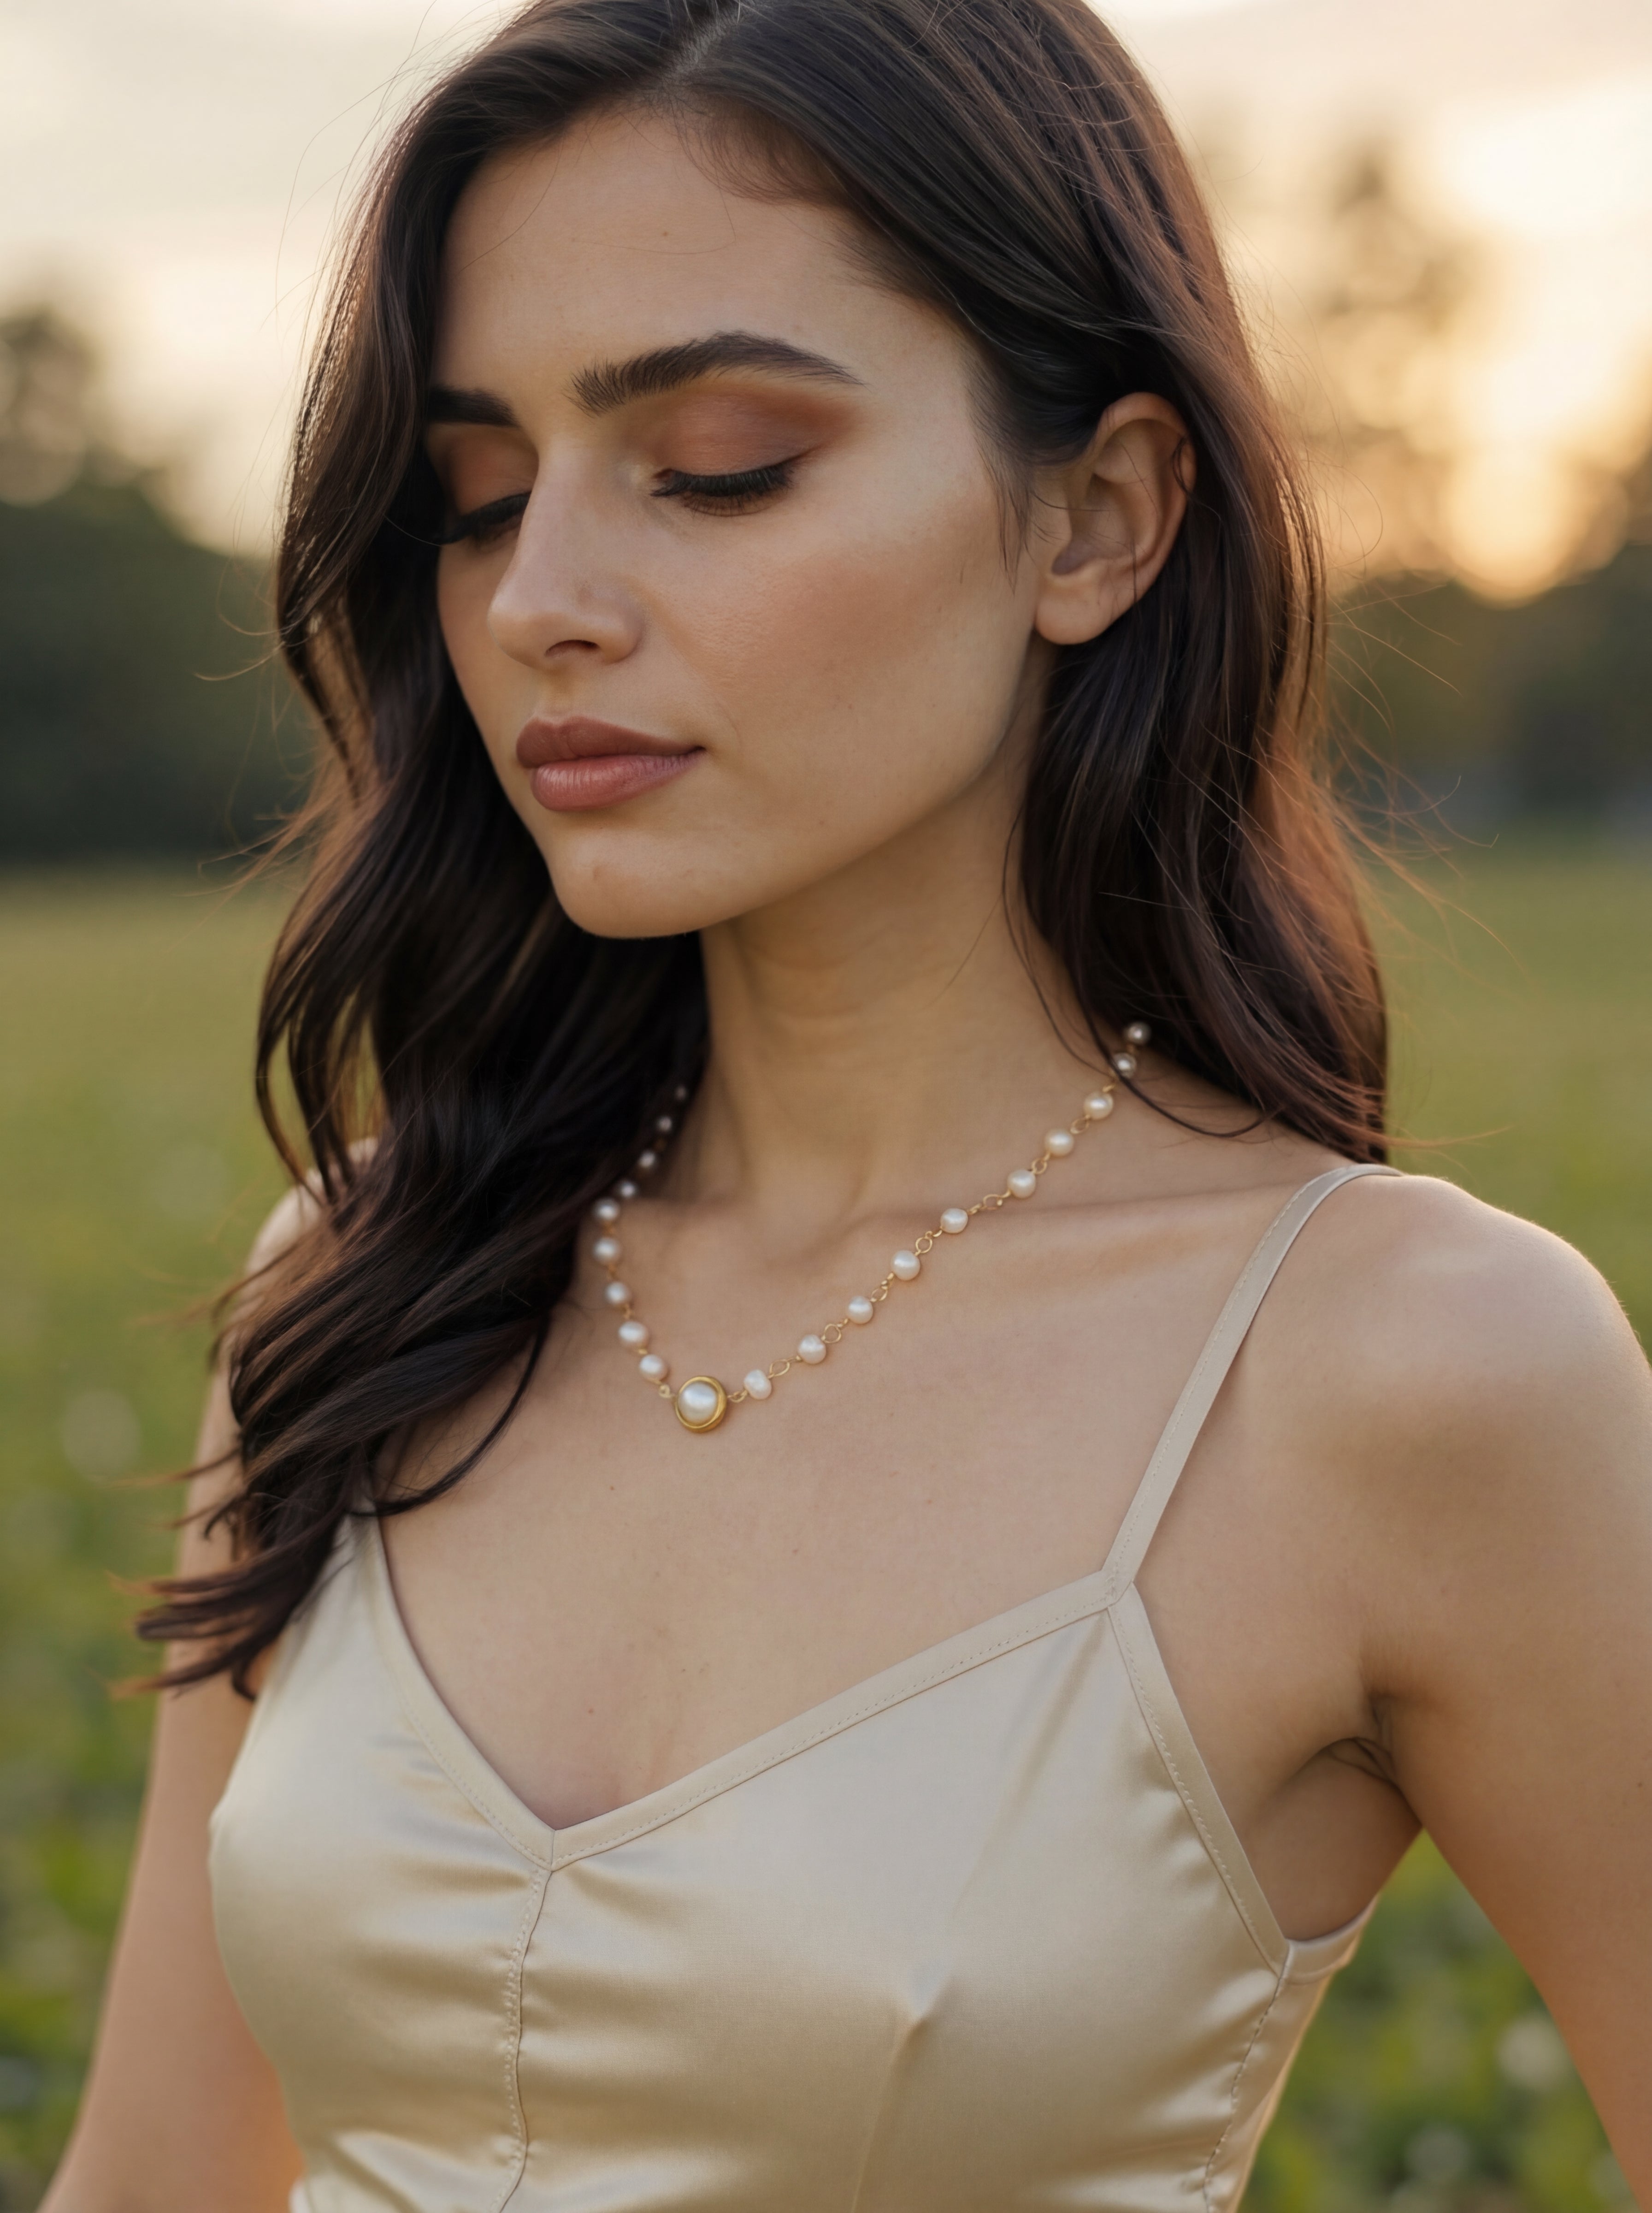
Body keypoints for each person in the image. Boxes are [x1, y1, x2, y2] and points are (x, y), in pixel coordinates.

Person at [44, 1, 1652, 2206]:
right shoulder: (359, 1282)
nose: (541, 603)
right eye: (479, 495)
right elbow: (155, 2179)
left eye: (713, 465)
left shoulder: (1401, 1373)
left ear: (1094, 520)